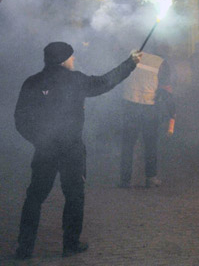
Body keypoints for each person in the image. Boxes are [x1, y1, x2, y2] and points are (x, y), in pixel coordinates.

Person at [13, 42, 141, 259]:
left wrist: (39, 140)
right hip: (71, 150)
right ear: (63, 60)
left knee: (34, 197)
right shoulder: (75, 80)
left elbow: (20, 118)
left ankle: (24, 248)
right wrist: (130, 63)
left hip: (45, 150)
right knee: (74, 197)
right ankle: (70, 244)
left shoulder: (32, 82)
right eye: (71, 57)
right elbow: (105, 82)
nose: (74, 60)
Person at [118, 46, 175, 188]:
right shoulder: (161, 63)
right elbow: (166, 90)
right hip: (149, 108)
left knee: (127, 145)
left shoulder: (132, 56)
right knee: (150, 145)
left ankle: (125, 180)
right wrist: (172, 113)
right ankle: (150, 177)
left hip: (130, 105)